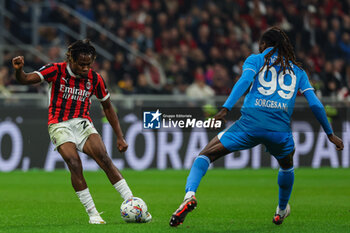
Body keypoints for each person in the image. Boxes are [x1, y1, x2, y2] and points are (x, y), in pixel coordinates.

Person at [169, 27, 344, 227]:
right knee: (287, 165)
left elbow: (244, 81)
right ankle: (280, 210)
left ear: (263, 45)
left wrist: (225, 108)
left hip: (249, 125)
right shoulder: (299, 72)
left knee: (206, 155)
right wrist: (330, 134)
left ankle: (189, 196)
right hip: (279, 131)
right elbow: (315, 104)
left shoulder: (256, 59)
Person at [12, 39, 151, 224]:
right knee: (74, 163)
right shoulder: (56, 70)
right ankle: (93, 214)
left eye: (89, 64)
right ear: (71, 60)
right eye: (82, 64)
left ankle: (132, 202)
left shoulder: (95, 79)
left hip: (82, 123)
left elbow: (108, 107)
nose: (86, 68)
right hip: (59, 124)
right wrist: (18, 70)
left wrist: (120, 137)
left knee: (104, 158)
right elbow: (26, 79)